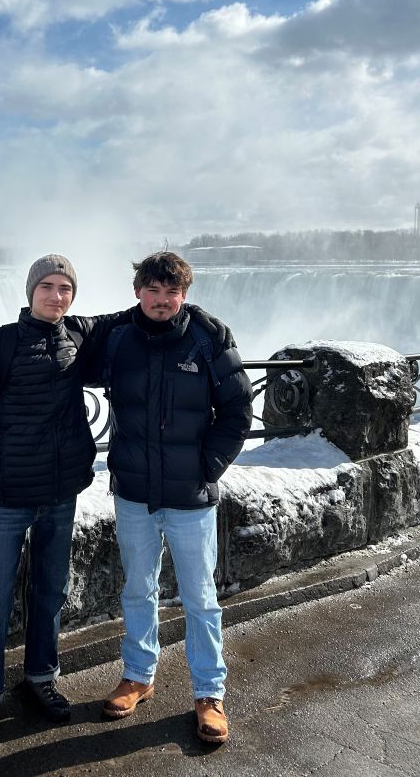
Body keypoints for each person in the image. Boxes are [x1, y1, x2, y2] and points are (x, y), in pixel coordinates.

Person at [0, 253, 230, 749]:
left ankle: (44, 679)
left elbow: (230, 402)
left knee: (53, 594)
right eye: (48, 287)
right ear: (31, 290)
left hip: (67, 491)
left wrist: (206, 468)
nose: (57, 296)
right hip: (14, 493)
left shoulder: (86, 335)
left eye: (65, 288)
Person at [92, 251, 252, 745]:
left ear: (184, 293)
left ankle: (209, 694)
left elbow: (238, 408)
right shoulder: (117, 337)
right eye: (154, 291)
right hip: (135, 492)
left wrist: (208, 467)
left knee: (200, 598)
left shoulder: (207, 338)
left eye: (172, 292)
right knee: (138, 589)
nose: (162, 301)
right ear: (138, 290)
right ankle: (139, 676)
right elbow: (64, 348)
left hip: (189, 495)